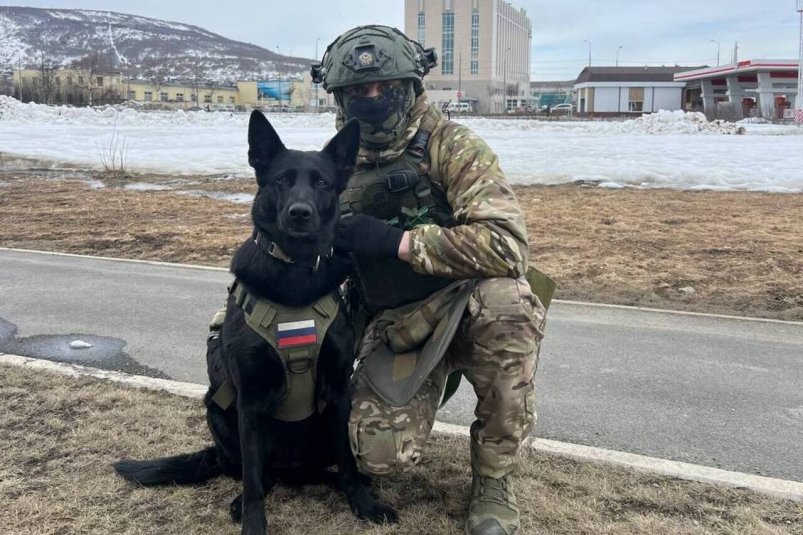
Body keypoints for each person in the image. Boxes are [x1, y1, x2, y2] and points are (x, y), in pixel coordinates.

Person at [313, 25, 549, 535]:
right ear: (340, 96)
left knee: (509, 306)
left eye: (386, 87)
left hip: (466, 306)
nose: (373, 98)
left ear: (412, 85)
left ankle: (494, 481)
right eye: (359, 90)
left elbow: (508, 246)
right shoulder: (335, 163)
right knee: (377, 455)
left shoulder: (451, 145)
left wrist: (398, 242)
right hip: (397, 323)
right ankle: (421, 384)